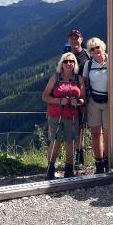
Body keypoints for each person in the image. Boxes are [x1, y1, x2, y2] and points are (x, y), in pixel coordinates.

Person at [42, 52, 86, 180]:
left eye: (71, 61)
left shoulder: (79, 79)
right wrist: (59, 101)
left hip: (72, 115)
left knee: (71, 142)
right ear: (61, 64)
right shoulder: (55, 78)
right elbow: (45, 96)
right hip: (56, 115)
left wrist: (78, 102)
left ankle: (69, 169)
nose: (68, 64)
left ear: (75, 64)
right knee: (55, 141)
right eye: (66, 61)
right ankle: (50, 169)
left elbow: (83, 98)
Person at [82, 37, 108, 174]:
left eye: (97, 47)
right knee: (96, 134)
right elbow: (84, 83)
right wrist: (84, 102)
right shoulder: (89, 64)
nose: (95, 50)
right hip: (93, 102)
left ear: (103, 47)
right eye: (92, 49)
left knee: (108, 134)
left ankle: (108, 159)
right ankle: (99, 162)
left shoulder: (112, 61)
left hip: (110, 102)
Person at [67, 29, 91, 169]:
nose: (75, 40)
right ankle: (74, 158)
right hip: (69, 96)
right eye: (72, 38)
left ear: (81, 39)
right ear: (69, 40)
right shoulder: (67, 55)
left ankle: (80, 156)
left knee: (83, 126)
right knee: (73, 126)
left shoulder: (87, 55)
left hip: (84, 95)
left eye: (77, 38)